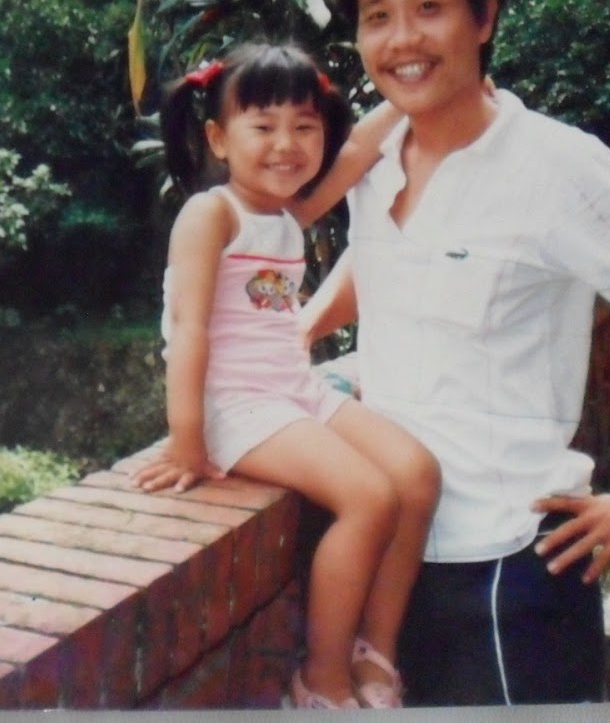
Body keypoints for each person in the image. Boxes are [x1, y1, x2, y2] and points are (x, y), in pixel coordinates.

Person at [301, 0, 610, 705]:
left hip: (508, 576)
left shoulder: (557, 167)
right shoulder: (373, 161)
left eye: (429, 7)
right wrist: (304, 331)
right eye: (378, 17)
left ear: (485, 16)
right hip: (390, 569)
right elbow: (383, 256)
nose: (402, 39)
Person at [130, 42, 440, 709]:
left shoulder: (286, 214)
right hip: (236, 406)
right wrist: (186, 439)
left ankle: (375, 652)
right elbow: (188, 329)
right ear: (218, 138)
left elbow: (358, 151)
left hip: (293, 391)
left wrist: (412, 94)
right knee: (368, 497)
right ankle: (321, 679)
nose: (286, 144)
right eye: (263, 126)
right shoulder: (212, 214)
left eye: (304, 126)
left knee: (416, 475)